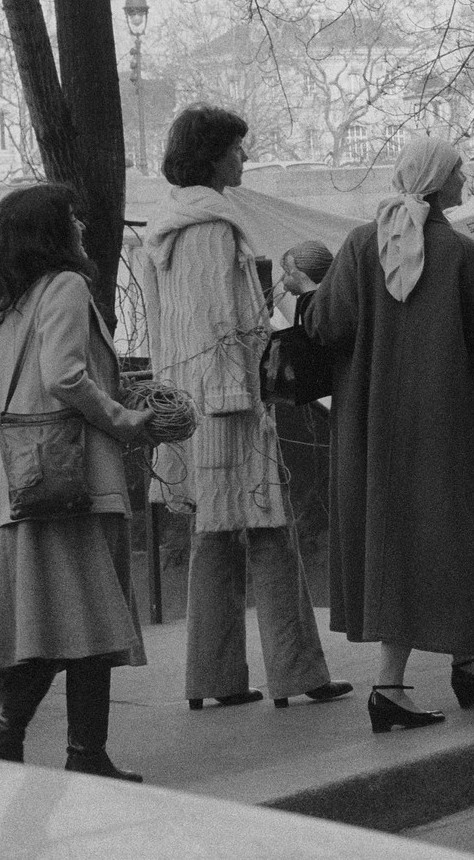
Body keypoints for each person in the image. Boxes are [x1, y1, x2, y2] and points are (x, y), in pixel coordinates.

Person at [304, 136, 474, 734]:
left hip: (372, 437)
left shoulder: (359, 245)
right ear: (438, 182)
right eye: (458, 173)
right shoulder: (459, 255)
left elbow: (324, 327)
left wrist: (314, 292)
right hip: (446, 433)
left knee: (402, 543)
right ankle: (389, 689)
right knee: (454, 540)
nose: (464, 181)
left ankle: (467, 662)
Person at [142, 105, 348, 712]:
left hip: (188, 401)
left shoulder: (167, 228)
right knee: (267, 531)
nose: (245, 158)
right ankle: (296, 674)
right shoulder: (211, 227)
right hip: (225, 401)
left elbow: (178, 326)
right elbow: (221, 329)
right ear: (212, 155)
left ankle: (216, 679)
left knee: (216, 536)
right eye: (237, 148)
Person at [0, 184, 152, 780]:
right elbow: (66, 376)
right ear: (55, 230)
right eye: (72, 216)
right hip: (73, 478)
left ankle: (23, 742)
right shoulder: (68, 287)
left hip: (23, 482)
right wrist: (125, 420)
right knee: (88, 621)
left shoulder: (10, 300)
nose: (81, 223)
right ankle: (66, 751)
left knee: (57, 622)